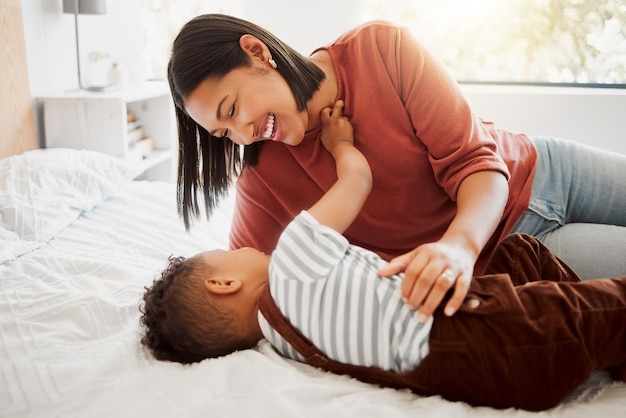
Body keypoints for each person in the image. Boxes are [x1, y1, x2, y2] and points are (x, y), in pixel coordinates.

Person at [140, 102, 626, 411]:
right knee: (606, 309)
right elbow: (357, 182)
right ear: (223, 284)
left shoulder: (288, 343)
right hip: (492, 332)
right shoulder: (291, 260)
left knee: (522, 256)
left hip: (481, 369)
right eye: (229, 256)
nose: (244, 247)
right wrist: (340, 144)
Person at [167, 13, 626, 326]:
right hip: (518, 252)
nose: (244, 135)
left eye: (232, 108)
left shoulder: (378, 49)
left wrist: (457, 247)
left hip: (545, 167)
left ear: (256, 52)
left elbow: (474, 162)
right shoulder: (262, 175)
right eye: (224, 134)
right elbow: (252, 286)